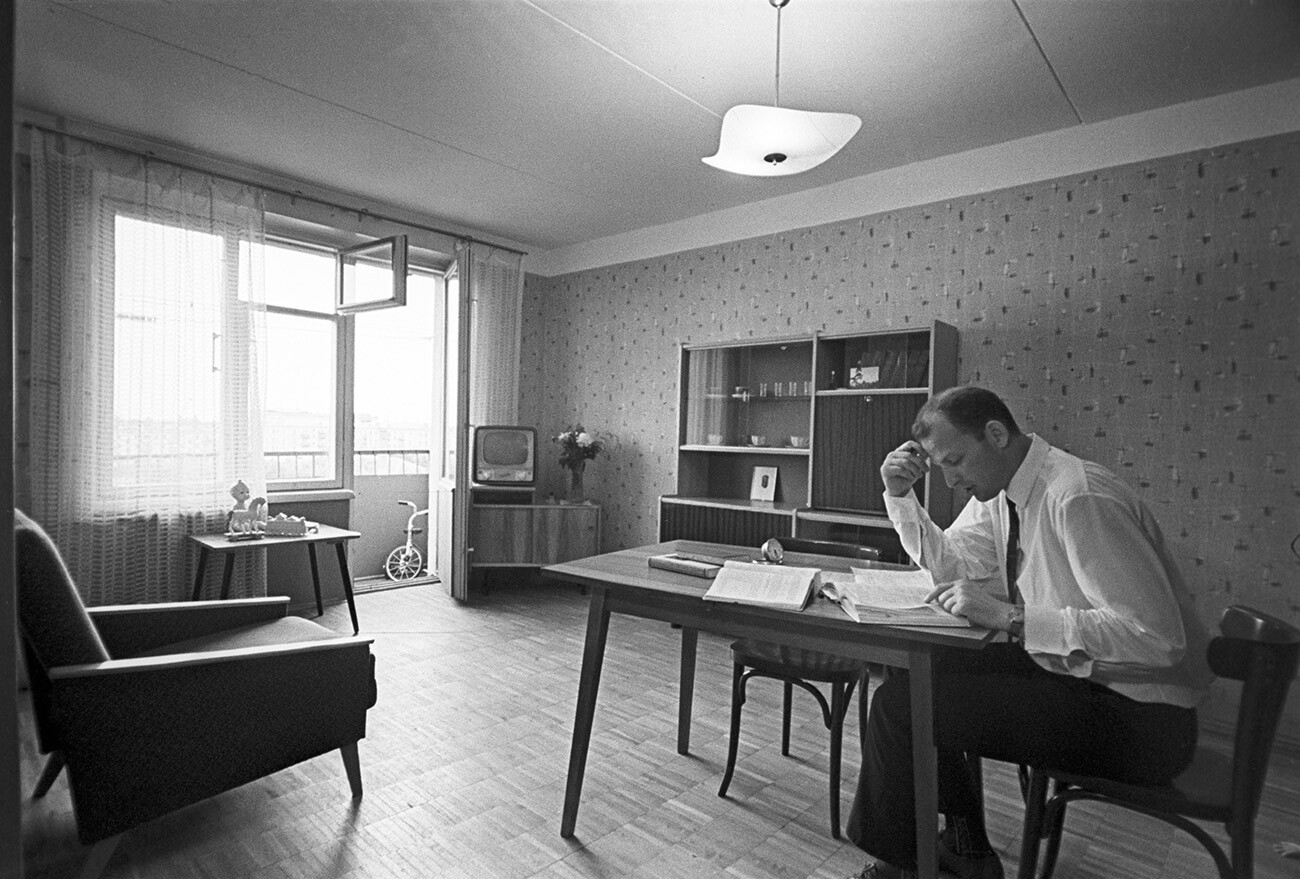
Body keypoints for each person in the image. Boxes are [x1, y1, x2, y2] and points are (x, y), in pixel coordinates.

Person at [845, 386, 1214, 879]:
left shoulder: (1077, 495)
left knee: (901, 707)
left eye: (956, 461)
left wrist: (1010, 618)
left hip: (1143, 721)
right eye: (942, 467)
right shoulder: (1001, 492)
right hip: (1078, 679)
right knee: (920, 670)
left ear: (996, 435)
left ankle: (906, 867)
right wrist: (899, 496)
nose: (951, 480)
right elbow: (952, 565)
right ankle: (965, 845)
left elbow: (1155, 638)